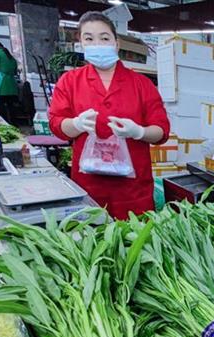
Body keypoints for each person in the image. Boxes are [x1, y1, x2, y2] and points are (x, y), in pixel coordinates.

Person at [49, 11, 169, 219]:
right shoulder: (70, 82)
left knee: (135, 244)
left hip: (132, 188)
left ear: (116, 43)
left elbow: (161, 131)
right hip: (90, 186)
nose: (97, 44)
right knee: (91, 243)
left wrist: (139, 131)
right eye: (89, 38)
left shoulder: (141, 84)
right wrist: (76, 124)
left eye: (104, 38)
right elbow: (57, 124)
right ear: (81, 44)